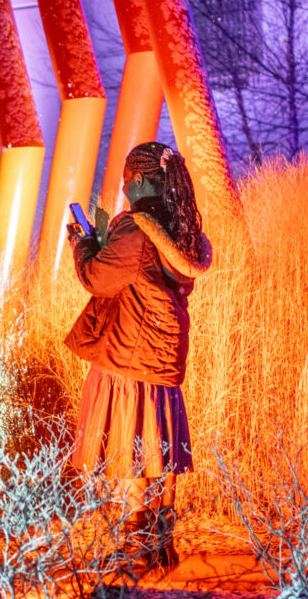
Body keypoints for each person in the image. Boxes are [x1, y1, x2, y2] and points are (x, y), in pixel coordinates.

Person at [66, 141, 212, 569]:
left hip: (129, 356)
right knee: (157, 447)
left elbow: (97, 277)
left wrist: (82, 243)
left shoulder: (137, 229)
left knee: (130, 449)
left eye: (129, 180)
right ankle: (160, 543)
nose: (125, 189)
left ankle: (135, 545)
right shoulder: (180, 229)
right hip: (164, 356)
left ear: (143, 180)